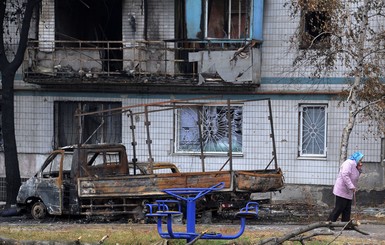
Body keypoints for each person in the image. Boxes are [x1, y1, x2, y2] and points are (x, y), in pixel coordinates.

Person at [327, 151, 364, 222]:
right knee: (339, 207)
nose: (361, 161)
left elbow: (355, 177)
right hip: (342, 189)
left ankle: (345, 224)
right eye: (360, 159)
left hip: (348, 190)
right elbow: (345, 175)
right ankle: (329, 222)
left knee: (347, 208)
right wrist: (351, 186)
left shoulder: (355, 165)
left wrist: (359, 169)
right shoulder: (348, 163)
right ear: (356, 158)